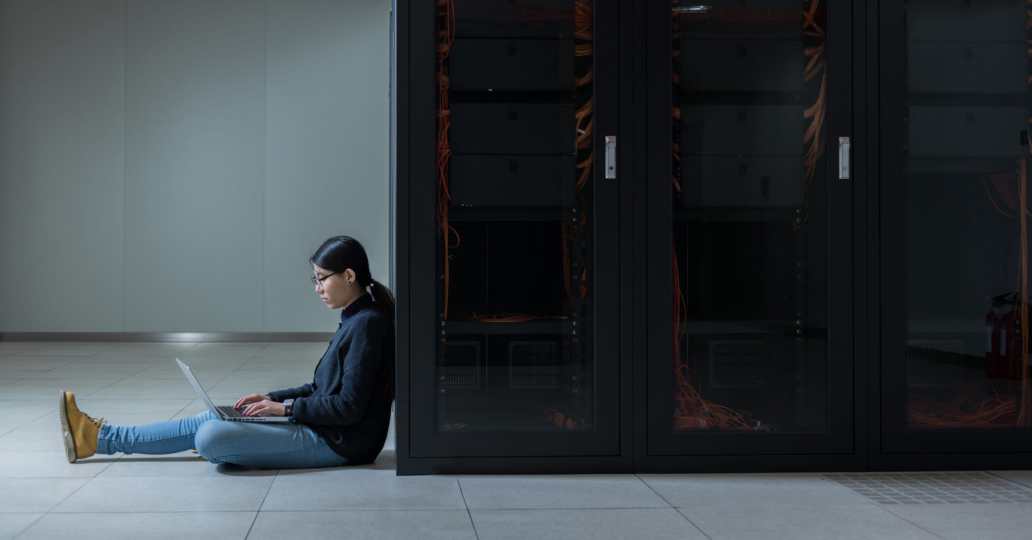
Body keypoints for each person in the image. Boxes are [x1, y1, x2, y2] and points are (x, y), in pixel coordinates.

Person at [58, 236, 395, 469]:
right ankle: (99, 437)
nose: (317, 288)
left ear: (349, 275)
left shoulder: (367, 325)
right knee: (216, 418)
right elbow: (322, 389)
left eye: (322, 279)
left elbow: (349, 408)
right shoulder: (355, 320)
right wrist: (270, 399)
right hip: (325, 429)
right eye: (314, 280)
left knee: (211, 436)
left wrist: (284, 409)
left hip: (341, 443)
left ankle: (102, 438)